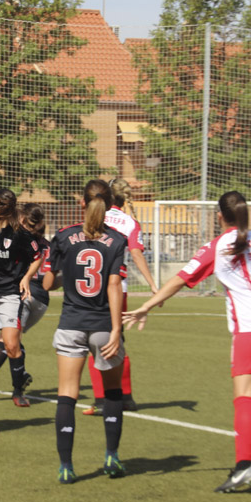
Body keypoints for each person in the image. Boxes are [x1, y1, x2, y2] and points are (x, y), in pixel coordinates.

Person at [123, 191, 251, 492]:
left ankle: (243, 466)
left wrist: (147, 305)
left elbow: (180, 279)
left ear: (219, 216)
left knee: (244, 397)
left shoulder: (218, 246)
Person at [43, 180, 129, 483]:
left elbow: (47, 283)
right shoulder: (118, 240)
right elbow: (115, 284)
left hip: (71, 323)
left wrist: (62, 274)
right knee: (112, 393)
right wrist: (117, 330)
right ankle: (112, 457)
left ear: (82, 203)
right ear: (109, 205)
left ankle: (66, 466)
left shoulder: (64, 236)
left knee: (67, 394)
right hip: (104, 325)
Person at [84, 178, 157, 415]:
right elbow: (136, 254)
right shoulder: (129, 222)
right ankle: (126, 396)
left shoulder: (94, 216)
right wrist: (153, 284)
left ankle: (101, 400)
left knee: (93, 343)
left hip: (93, 289)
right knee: (119, 341)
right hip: (120, 289)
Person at [0, 189, 43, 407]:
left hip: (10, 296)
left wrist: (27, 278)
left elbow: (37, 256)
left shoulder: (21, 235)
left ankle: (17, 391)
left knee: (12, 346)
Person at [0, 203, 48, 390]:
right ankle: (19, 375)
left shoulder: (19, 238)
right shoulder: (48, 245)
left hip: (22, 294)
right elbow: (54, 278)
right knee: (13, 340)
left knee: (7, 341)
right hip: (42, 300)